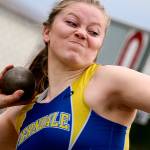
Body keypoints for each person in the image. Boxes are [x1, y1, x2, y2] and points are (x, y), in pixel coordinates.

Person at [0, 0, 150, 149]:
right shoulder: (21, 112)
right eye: (72, 23)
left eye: (93, 32)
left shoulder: (109, 80)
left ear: (99, 46)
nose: (81, 33)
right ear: (47, 32)